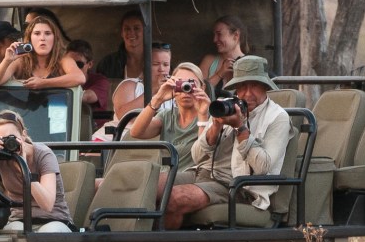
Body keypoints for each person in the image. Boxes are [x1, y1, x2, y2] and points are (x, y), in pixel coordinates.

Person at [187, 55, 292, 221]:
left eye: (255, 86)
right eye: (242, 86)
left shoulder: (277, 117)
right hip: (206, 173)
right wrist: (216, 126)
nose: (247, 93)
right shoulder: (227, 105)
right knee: (155, 187)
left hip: (240, 188)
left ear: (265, 87)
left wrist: (240, 128)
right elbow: (196, 156)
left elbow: (263, 167)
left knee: (176, 198)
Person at [124, 62, 212, 230]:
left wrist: (203, 114)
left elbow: (203, 153)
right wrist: (158, 98)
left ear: (203, 88)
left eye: (192, 84)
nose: (187, 89)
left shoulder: (209, 115)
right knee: (103, 183)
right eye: (181, 84)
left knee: (142, 182)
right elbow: (136, 132)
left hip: (194, 174)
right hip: (167, 175)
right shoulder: (167, 115)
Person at [0, 111, 70, 233]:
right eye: (1, 139)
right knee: (16, 233)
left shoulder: (43, 154)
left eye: (11, 138)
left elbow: (47, 205)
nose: (7, 144)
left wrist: (23, 167)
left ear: (23, 135)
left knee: (47, 233)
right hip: (19, 220)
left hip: (53, 220)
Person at [0, 13, 85, 90]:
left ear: (55, 38)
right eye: (37, 34)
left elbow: (79, 78)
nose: (42, 38)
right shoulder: (21, 61)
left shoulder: (63, 60)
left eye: (48, 33)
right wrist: (7, 60)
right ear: (29, 38)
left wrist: (43, 83)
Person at [94, 8, 147, 84]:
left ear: (145, 32)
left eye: (136, 28)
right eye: (127, 29)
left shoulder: (157, 61)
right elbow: (101, 92)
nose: (131, 32)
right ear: (121, 33)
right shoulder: (107, 63)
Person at [199, 15, 248, 92]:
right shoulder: (209, 61)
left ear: (236, 35)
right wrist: (220, 73)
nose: (214, 40)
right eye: (214, 35)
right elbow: (198, 91)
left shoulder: (250, 62)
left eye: (219, 34)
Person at [68, 39, 114, 117]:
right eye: (69, 63)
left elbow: (87, 97)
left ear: (90, 64)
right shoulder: (59, 78)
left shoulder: (101, 81)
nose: (74, 68)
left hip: (94, 128)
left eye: (79, 64)